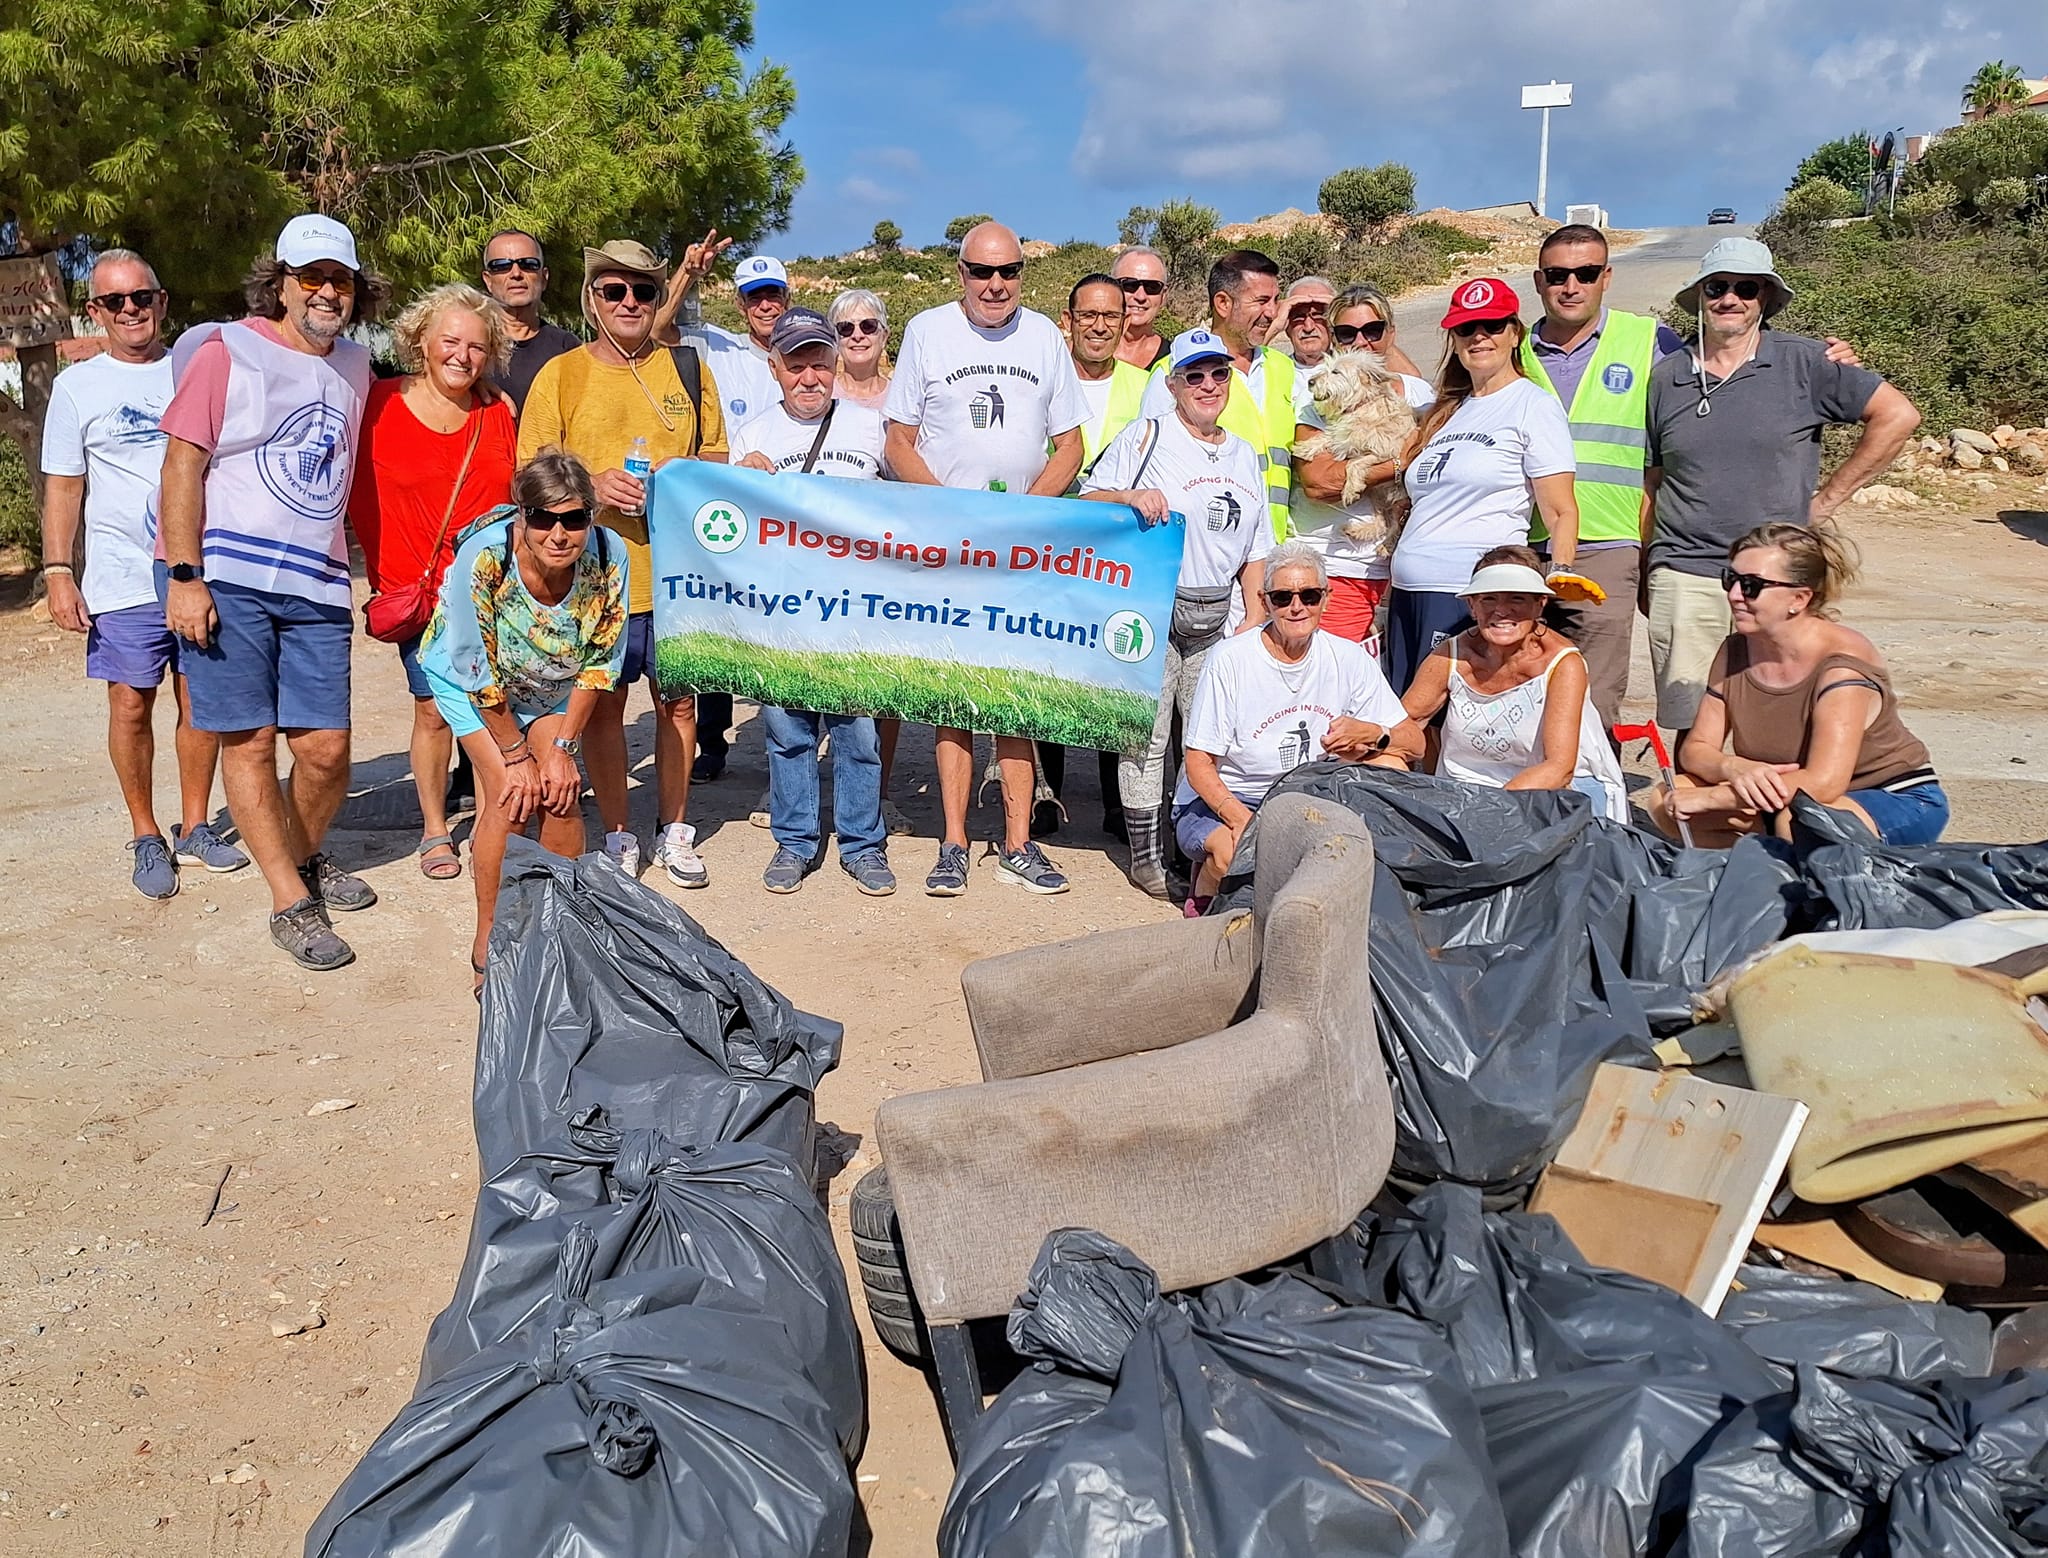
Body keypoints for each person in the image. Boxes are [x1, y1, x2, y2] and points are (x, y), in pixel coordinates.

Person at [156, 214, 384, 970]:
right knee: (248, 741)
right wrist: (184, 576)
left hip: (317, 581)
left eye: (340, 280)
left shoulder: (357, 366)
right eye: (311, 276)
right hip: (229, 575)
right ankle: (291, 899)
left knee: (326, 751)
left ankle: (301, 855)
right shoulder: (230, 349)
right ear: (281, 281)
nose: (326, 291)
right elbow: (182, 464)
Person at [1644, 236, 1920, 737]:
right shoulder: (1666, 377)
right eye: (1717, 287)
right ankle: (1697, 813)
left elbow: (1898, 415)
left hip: (1778, 577)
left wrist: (1827, 501)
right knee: (1692, 722)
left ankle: (1772, 814)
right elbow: (1653, 479)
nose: (1730, 298)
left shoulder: (1807, 362)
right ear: (1700, 295)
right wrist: (1648, 566)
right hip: (1685, 570)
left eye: (1745, 288)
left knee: (1777, 715)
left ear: (1765, 297)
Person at [883, 219, 1086, 895]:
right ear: (960, 273)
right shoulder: (927, 333)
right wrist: (952, 513)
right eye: (981, 272)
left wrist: (1029, 512)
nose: (995, 285)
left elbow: (1070, 445)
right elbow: (899, 440)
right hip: (949, 549)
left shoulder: (1045, 339)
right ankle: (953, 842)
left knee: (1015, 701)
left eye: (1009, 272)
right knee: (953, 702)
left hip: (1019, 551)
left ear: (1022, 274)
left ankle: (1020, 844)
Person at [517, 238, 729, 887]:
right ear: (592, 298)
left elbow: (718, 461)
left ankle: (675, 832)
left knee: (681, 708)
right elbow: (525, 475)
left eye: (643, 290)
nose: (630, 302)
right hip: (591, 583)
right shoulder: (562, 375)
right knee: (604, 712)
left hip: (677, 582)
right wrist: (589, 484)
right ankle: (616, 834)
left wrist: (680, 478)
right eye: (615, 290)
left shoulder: (687, 369)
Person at [39, 248, 247, 897]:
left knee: (199, 702)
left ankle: (193, 827)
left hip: (196, 570)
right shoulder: (78, 385)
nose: (130, 310)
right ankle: (145, 833)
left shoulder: (198, 370)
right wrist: (56, 570)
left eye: (142, 298)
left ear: (161, 302)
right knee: (131, 705)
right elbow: (65, 485)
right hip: (122, 576)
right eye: (114, 301)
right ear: (95, 311)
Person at [418, 450, 627, 994]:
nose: (559, 534)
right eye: (543, 518)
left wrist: (561, 749)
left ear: (591, 519)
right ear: (522, 516)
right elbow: (474, 667)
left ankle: (561, 927)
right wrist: (516, 755)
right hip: (474, 681)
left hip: (551, 677)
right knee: (512, 792)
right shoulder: (484, 558)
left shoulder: (610, 556)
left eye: (574, 519)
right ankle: (490, 934)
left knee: (559, 790)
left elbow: (601, 662)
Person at [1082, 328, 1270, 898]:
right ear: (1173, 385)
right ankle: (1145, 857)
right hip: (1155, 608)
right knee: (1147, 733)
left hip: (1219, 611)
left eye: (1218, 374)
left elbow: (1256, 543)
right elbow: (1089, 499)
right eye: (1194, 376)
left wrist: (1253, 615)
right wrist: (1127, 498)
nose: (1208, 386)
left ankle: (1196, 845)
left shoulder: (1242, 451)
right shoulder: (1147, 436)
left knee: (1209, 738)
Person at [348, 283, 519, 882]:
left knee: (499, 705)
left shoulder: (500, 412)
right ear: (420, 339)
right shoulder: (375, 403)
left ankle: (501, 816)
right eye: (450, 341)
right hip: (419, 594)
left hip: (492, 593)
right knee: (433, 709)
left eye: (477, 346)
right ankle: (435, 828)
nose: (462, 356)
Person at [728, 308, 896, 896]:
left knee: (858, 736)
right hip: (781, 613)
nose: (809, 377)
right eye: (795, 364)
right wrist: (739, 477)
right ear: (774, 370)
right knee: (787, 732)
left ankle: (862, 844)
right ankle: (794, 842)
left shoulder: (871, 428)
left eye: (819, 363)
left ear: (835, 365)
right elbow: (728, 528)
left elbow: (912, 509)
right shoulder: (752, 437)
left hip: (855, 613)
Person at [1650, 523, 1947, 847]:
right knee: (1667, 798)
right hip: (1789, 796)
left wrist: (1714, 798)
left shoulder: (1841, 667)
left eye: (1751, 586)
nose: (1734, 595)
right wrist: (1735, 768)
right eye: (1730, 579)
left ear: (1800, 598)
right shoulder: (1735, 649)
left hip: (1893, 796)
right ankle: (1751, 879)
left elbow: (1824, 783)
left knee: (1803, 822)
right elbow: (1696, 750)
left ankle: (1799, 883)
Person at [1174, 540, 1423, 910]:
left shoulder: (1348, 657)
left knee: (1391, 764)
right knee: (1233, 853)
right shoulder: (1230, 659)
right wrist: (1244, 820)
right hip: (1233, 796)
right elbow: (1198, 763)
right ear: (1264, 600)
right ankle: (1206, 886)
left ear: (1326, 597)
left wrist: (1374, 734)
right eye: (1282, 597)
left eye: (1308, 595)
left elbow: (1415, 744)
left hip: (1311, 792)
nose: (1296, 607)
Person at [1383, 277, 1580, 693]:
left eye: (1491, 325)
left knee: (1448, 721)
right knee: (1407, 719)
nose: (1479, 336)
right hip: (1408, 592)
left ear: (1514, 333)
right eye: (1466, 327)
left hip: (1468, 596)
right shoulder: (1446, 410)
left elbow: (1560, 509)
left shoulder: (1534, 406)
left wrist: (1559, 572)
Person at [1399, 547, 1628, 821]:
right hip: (1464, 793)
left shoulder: (1563, 663)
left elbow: (1558, 768)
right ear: (1472, 606)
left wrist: (1491, 814)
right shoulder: (1451, 653)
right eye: (1488, 599)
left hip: (1544, 792)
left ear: (1540, 604)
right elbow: (1407, 722)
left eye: (1517, 599)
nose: (1502, 611)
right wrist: (1378, 741)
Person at [679, 252, 790, 783]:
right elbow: (660, 328)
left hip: (789, 520)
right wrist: (687, 276)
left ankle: (786, 746)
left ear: (787, 298)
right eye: (754, 296)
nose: (764, 304)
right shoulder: (716, 347)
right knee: (721, 621)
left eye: (773, 294)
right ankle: (714, 740)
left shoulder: (806, 351)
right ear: (741, 303)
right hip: (731, 511)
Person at [1291, 284, 1437, 644]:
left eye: (1372, 330)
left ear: (1390, 333)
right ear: (1332, 337)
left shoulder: (1420, 395)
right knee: (1334, 681)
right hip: (1339, 567)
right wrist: (1399, 465)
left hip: (1407, 568)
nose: (1360, 342)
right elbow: (1320, 484)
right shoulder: (1316, 403)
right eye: (1346, 332)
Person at [1139, 248, 1315, 540]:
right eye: (1261, 301)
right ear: (1222, 303)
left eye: (1274, 300)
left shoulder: (1283, 368)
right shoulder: (1172, 373)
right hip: (1204, 554)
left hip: (1270, 553)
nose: (1272, 312)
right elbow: (1149, 467)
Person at [479, 230, 581, 413]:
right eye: (501, 266)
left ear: (544, 278)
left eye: (528, 264)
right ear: (488, 280)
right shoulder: (469, 345)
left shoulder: (567, 349)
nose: (516, 273)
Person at [1063, 273, 1150, 467]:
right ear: (1068, 320)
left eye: (1111, 316)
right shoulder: (1045, 383)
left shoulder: (1148, 386)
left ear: (1125, 323)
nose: (1099, 327)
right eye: (1088, 315)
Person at [828, 288, 893, 412]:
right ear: (835, 339)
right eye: (846, 328)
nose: (857, 336)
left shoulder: (901, 398)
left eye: (868, 326)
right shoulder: (825, 396)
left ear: (884, 337)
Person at [1110, 246, 1170, 369]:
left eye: (1152, 287)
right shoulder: (1078, 355)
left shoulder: (1175, 361)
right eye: (1129, 285)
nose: (1140, 296)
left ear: (1163, 296)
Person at [1275, 276, 1335, 369]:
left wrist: (1340, 310)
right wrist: (1276, 325)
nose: (1308, 327)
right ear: (1287, 326)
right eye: (1298, 317)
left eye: (1318, 316)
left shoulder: (1352, 370)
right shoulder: (1273, 369)